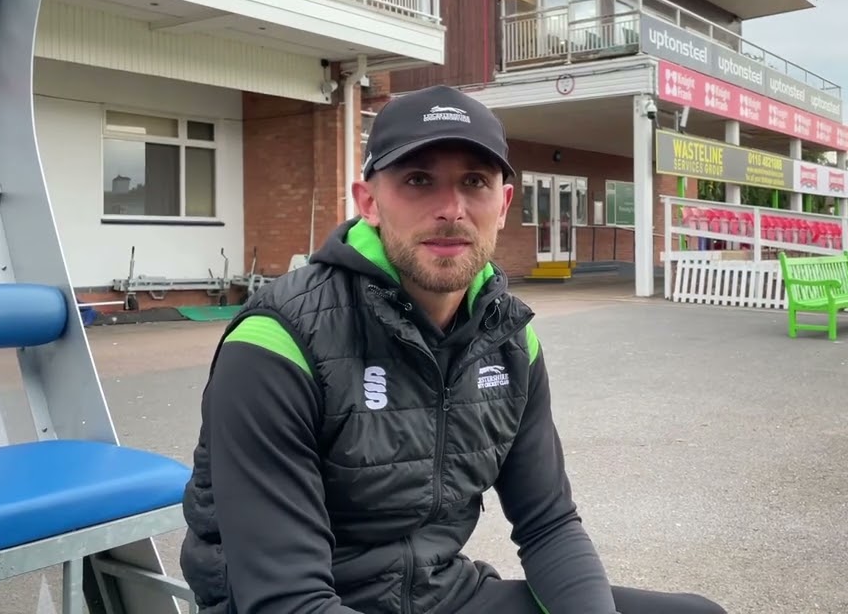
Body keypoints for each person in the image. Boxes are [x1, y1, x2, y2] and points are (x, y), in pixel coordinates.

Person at [178, 84, 727, 614]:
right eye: (418, 180)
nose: (451, 208)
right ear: (368, 201)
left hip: (441, 595)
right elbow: (285, 600)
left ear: (504, 203)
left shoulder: (509, 339)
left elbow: (548, 523)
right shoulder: (277, 342)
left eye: (474, 181)